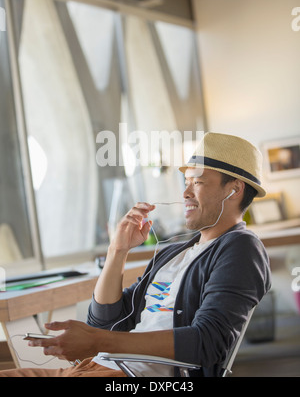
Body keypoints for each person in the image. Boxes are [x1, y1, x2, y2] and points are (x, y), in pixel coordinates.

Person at [0, 132, 271, 377]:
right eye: (185, 182)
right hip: (94, 367)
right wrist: (117, 251)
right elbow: (106, 322)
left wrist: (97, 341)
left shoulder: (241, 248)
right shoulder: (174, 253)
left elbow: (209, 343)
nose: (185, 192)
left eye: (197, 182)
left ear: (234, 189)